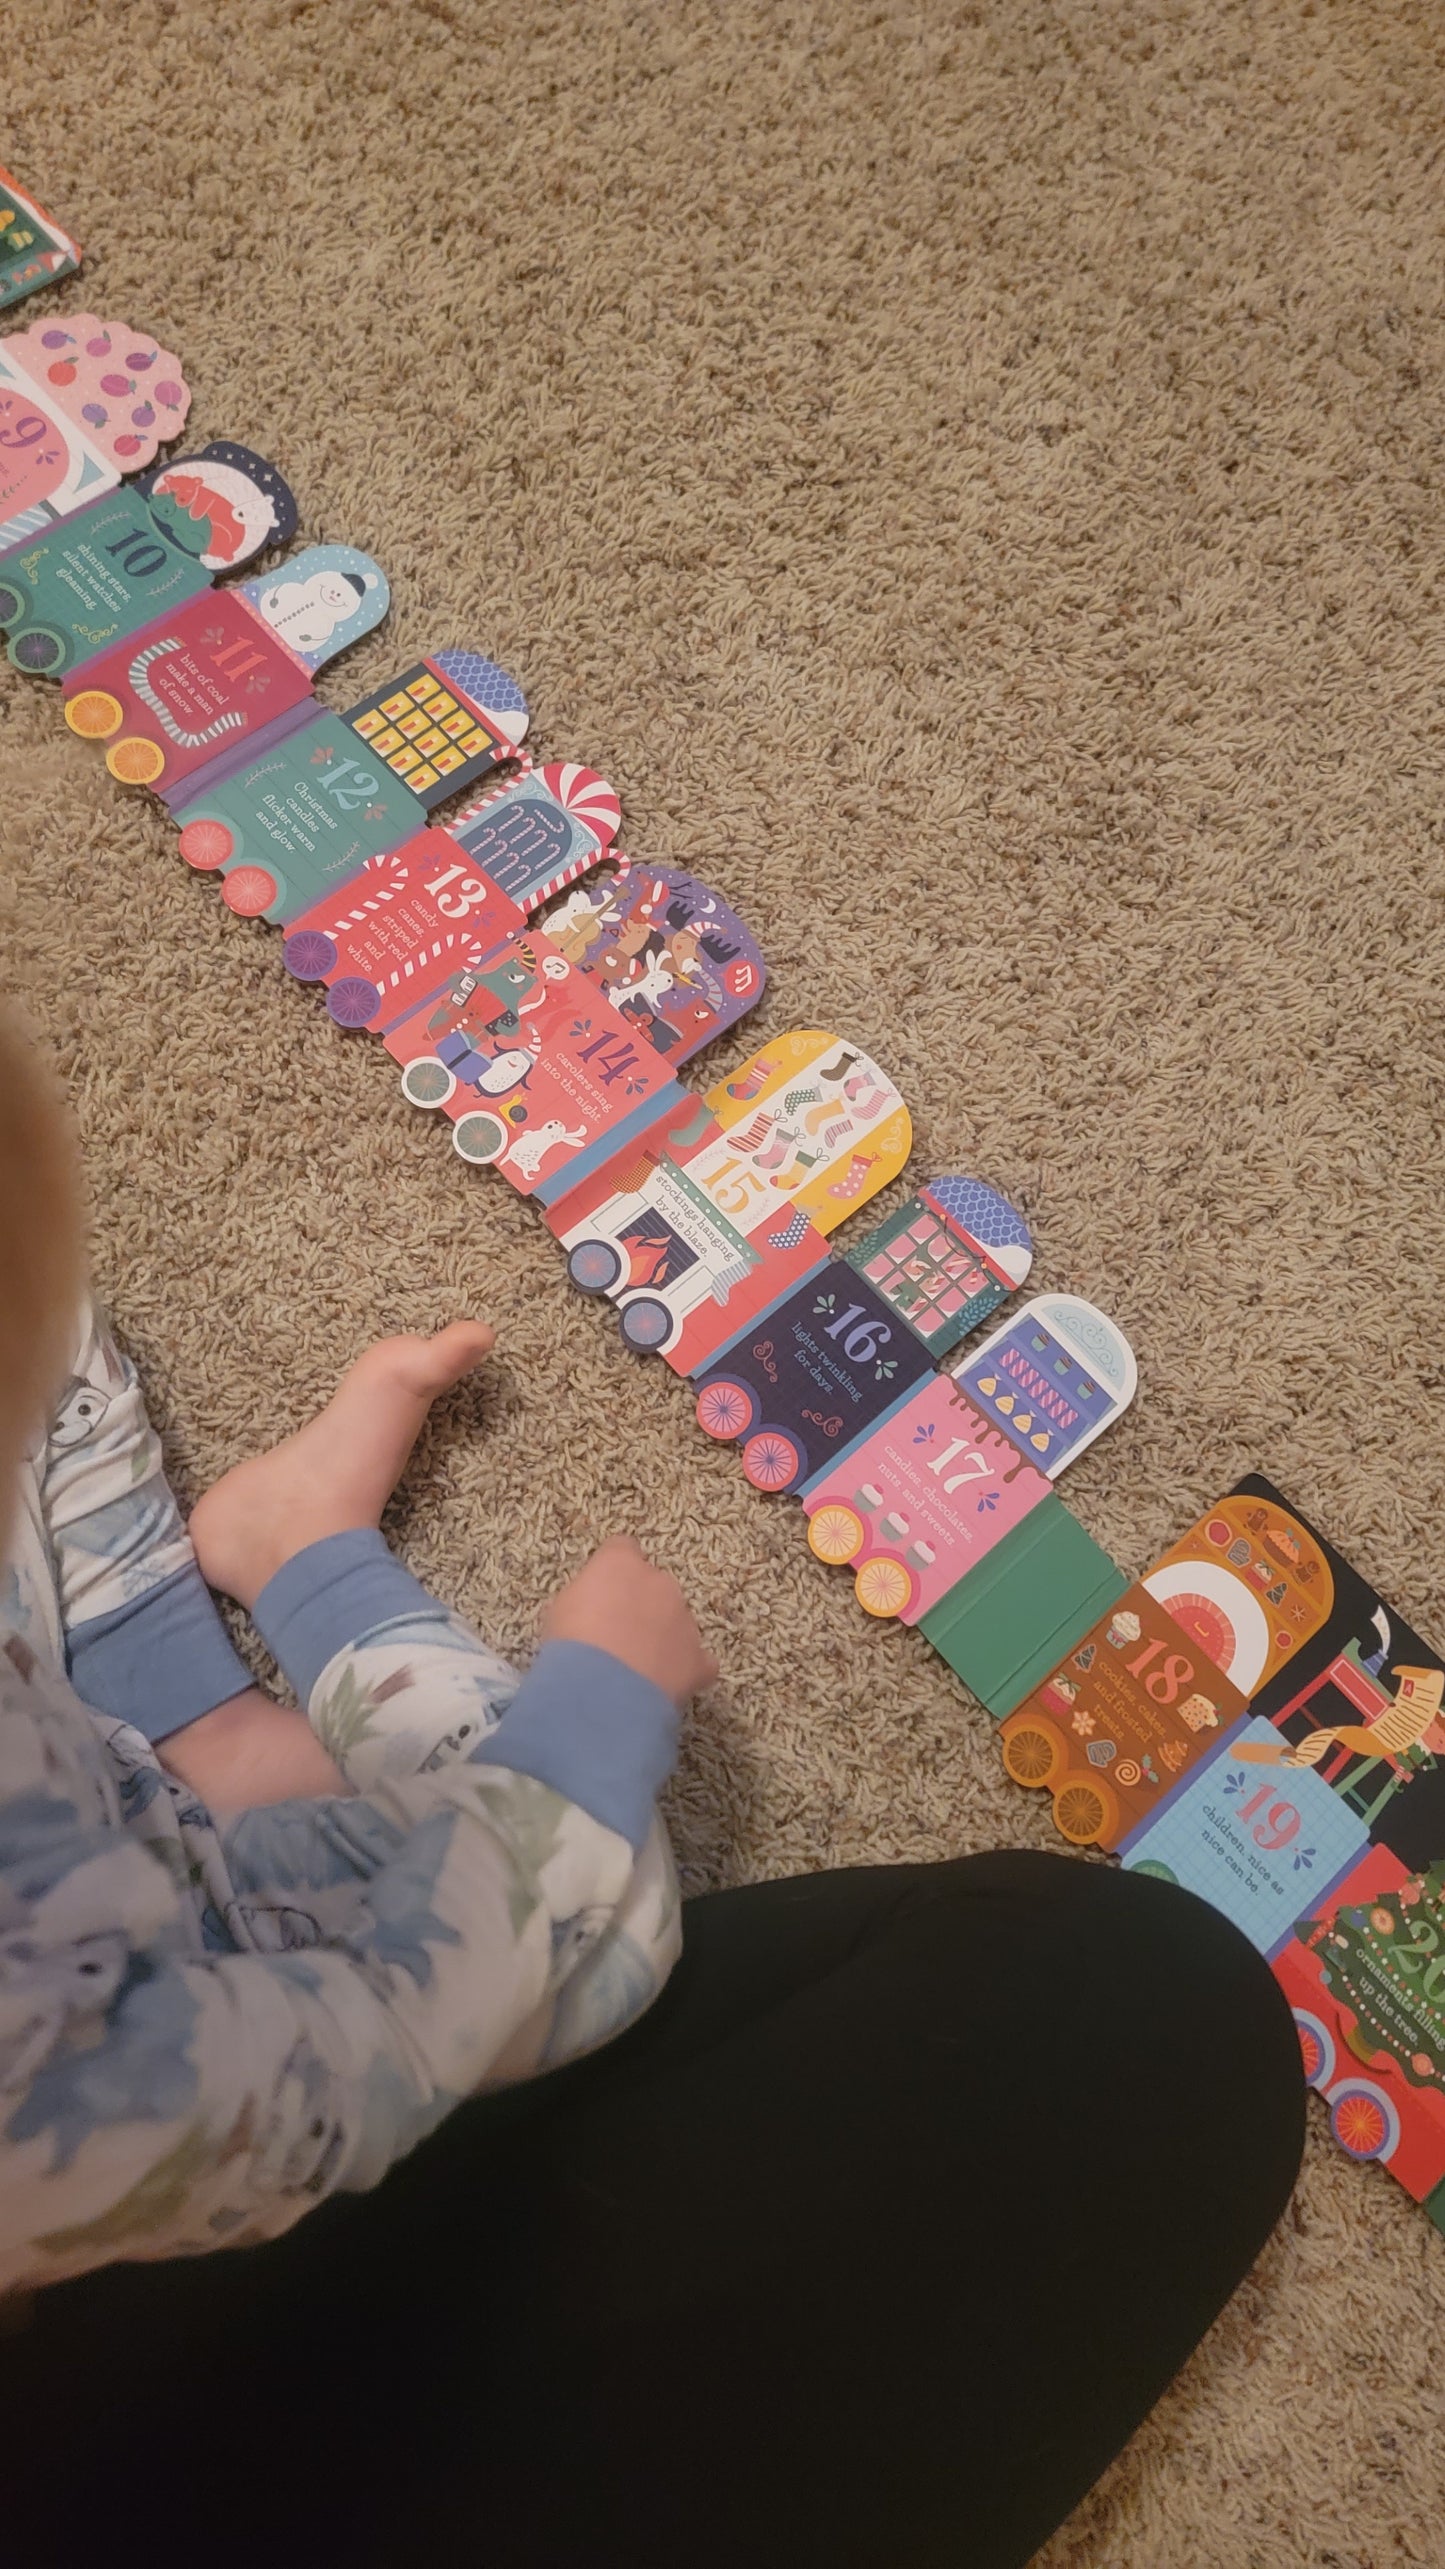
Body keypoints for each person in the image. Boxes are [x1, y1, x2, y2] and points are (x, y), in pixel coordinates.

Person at [0, 1010, 1305, 2567]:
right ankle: (298, 1557)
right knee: (608, 1922)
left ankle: (200, 1663)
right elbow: (386, 2039)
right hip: (178, 2120)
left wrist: (166, 1678)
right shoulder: (71, 2069)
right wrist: (591, 1726)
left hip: (113, 1925)